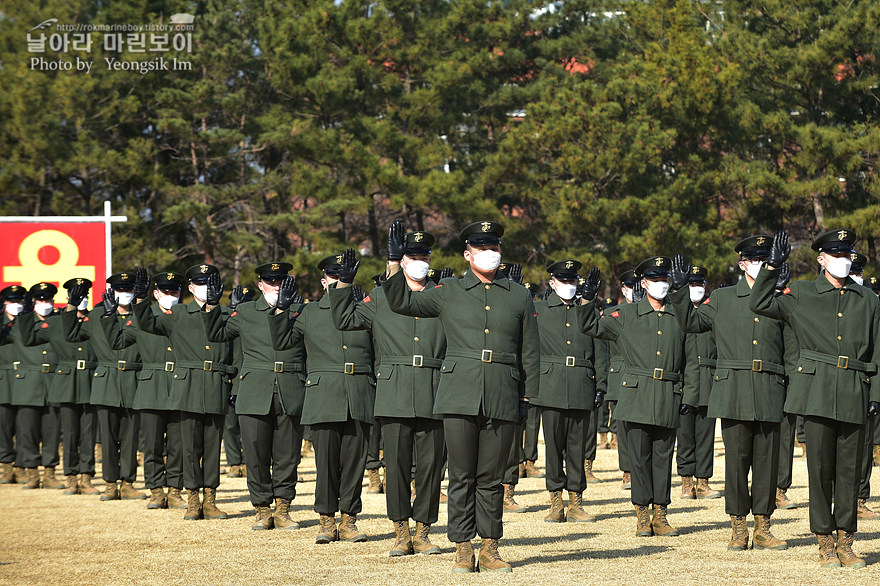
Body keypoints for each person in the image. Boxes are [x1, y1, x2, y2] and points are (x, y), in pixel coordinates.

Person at [378, 220, 540, 573]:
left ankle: (490, 547)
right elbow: (403, 302)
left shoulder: (518, 294)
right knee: (463, 475)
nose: (490, 254)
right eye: (482, 249)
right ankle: (463, 548)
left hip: (502, 392)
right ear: (468, 255)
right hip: (458, 393)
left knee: (493, 476)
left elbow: (531, 351)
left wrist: (526, 400)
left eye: (495, 248)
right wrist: (393, 263)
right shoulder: (449, 290)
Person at [749, 229, 880, 568]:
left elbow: (879, 348)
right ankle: (824, 541)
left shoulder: (867, 299)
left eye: (847, 255)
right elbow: (759, 302)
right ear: (821, 259)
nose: (844, 261)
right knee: (820, 470)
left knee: (850, 473)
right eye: (836, 255)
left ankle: (846, 542)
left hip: (855, 389)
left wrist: (876, 394)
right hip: (817, 391)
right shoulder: (802, 293)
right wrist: (772, 267)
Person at [329, 227, 447, 556]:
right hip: (394, 391)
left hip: (435, 389)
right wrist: (343, 284)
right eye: (412, 257)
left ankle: (424, 531)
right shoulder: (380, 296)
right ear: (401, 261)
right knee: (395, 465)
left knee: (430, 467)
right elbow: (344, 320)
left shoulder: (442, 295)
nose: (419, 262)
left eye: (424, 256)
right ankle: (401, 531)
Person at [671, 243, 797, 551]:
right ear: (741, 265)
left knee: (767, 464)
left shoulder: (780, 302)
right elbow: (690, 323)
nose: (759, 264)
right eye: (754, 260)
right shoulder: (723, 298)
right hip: (733, 390)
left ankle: (763, 527)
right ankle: (738, 527)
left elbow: (792, 350)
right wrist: (678, 289)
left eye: (765, 260)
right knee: (737, 463)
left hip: (770, 388)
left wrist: (793, 391)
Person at [578, 257, 698, 538]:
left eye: (664, 280)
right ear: (643, 283)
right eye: (654, 280)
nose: (660, 285)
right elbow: (591, 327)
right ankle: (642, 515)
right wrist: (587, 300)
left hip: (668, 393)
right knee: (639, 459)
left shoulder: (681, 316)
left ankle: (661, 515)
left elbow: (691, 360)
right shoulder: (624, 315)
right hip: (635, 394)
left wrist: (689, 394)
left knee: (663, 458)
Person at [268, 253, 375, 544]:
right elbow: (282, 342)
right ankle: (327, 521)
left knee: (354, 463)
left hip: (360, 393)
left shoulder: (365, 310)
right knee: (326, 463)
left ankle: (349, 520)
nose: (338, 280)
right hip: (324, 394)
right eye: (333, 275)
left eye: (344, 274)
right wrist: (281, 310)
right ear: (323, 280)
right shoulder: (310, 312)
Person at [203, 262, 306, 531]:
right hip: (255, 389)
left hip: (290, 387)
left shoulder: (300, 310)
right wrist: (213, 306)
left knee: (287, 455)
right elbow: (217, 334)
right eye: (270, 282)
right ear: (260, 285)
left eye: (280, 281)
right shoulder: (247, 311)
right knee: (256, 453)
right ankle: (262, 509)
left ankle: (283, 508)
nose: (275, 286)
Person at [130, 265, 235, 521]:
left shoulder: (227, 314)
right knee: (189, 448)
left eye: (210, 282)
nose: (205, 287)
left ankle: (210, 500)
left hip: (215, 384)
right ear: (190, 288)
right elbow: (147, 324)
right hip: (187, 385)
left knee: (212, 448)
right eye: (199, 283)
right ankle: (192, 499)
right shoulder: (178, 313)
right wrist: (142, 299)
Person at [100, 272, 186, 510]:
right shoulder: (142, 317)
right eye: (165, 292)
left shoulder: (186, 316)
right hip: (152, 385)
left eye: (174, 291)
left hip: (180, 383)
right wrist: (108, 316)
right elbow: (118, 342)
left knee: (178, 445)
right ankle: (156, 491)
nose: (170, 296)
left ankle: (175, 490)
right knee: (153, 445)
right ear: (155, 294)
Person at [532, 260, 605, 523]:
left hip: (581, 384)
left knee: (577, 447)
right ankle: (555, 501)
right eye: (563, 281)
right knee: (553, 447)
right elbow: (530, 350)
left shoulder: (586, 311)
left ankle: (576, 502)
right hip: (549, 385)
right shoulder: (538, 310)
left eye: (573, 281)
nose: (569, 286)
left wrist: (601, 385)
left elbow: (601, 350)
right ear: (552, 283)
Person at [64, 274, 145, 500]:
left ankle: (128, 483)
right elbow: (71, 334)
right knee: (107, 437)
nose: (124, 293)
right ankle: (110, 483)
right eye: (120, 289)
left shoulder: (141, 316)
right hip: (106, 379)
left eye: (128, 288)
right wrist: (71, 305)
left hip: (134, 377)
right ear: (111, 291)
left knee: (130, 437)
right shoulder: (97, 315)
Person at [19, 278, 99, 495]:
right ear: (68, 299)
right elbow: (28, 339)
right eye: (77, 296)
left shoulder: (97, 320)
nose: (81, 300)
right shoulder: (56, 323)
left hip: (92, 380)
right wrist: (26, 313)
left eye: (84, 296)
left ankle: (86, 478)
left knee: (89, 434)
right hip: (66, 382)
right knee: (71, 434)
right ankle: (71, 477)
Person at [673, 266, 720, 501]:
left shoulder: (712, 313)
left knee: (706, 437)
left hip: (709, 383)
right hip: (685, 384)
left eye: (700, 284)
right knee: (685, 437)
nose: (696, 289)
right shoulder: (677, 314)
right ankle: (686, 482)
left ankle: (703, 482)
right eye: (691, 284)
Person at [9, 283, 62, 490]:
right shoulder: (23, 322)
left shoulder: (59, 322)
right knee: (27, 432)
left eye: (48, 299)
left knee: (52, 432)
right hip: (27, 383)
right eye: (40, 300)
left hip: (53, 382)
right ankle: (31, 473)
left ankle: (49, 472)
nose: (45, 304)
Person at [0, 286, 27, 484]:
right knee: (4, 426)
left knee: (24, 426)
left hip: (25, 378)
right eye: (12, 301)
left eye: (19, 301)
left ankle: (22, 465)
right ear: (4, 303)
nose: (16, 305)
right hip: (4, 380)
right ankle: (6, 466)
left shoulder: (26, 321)